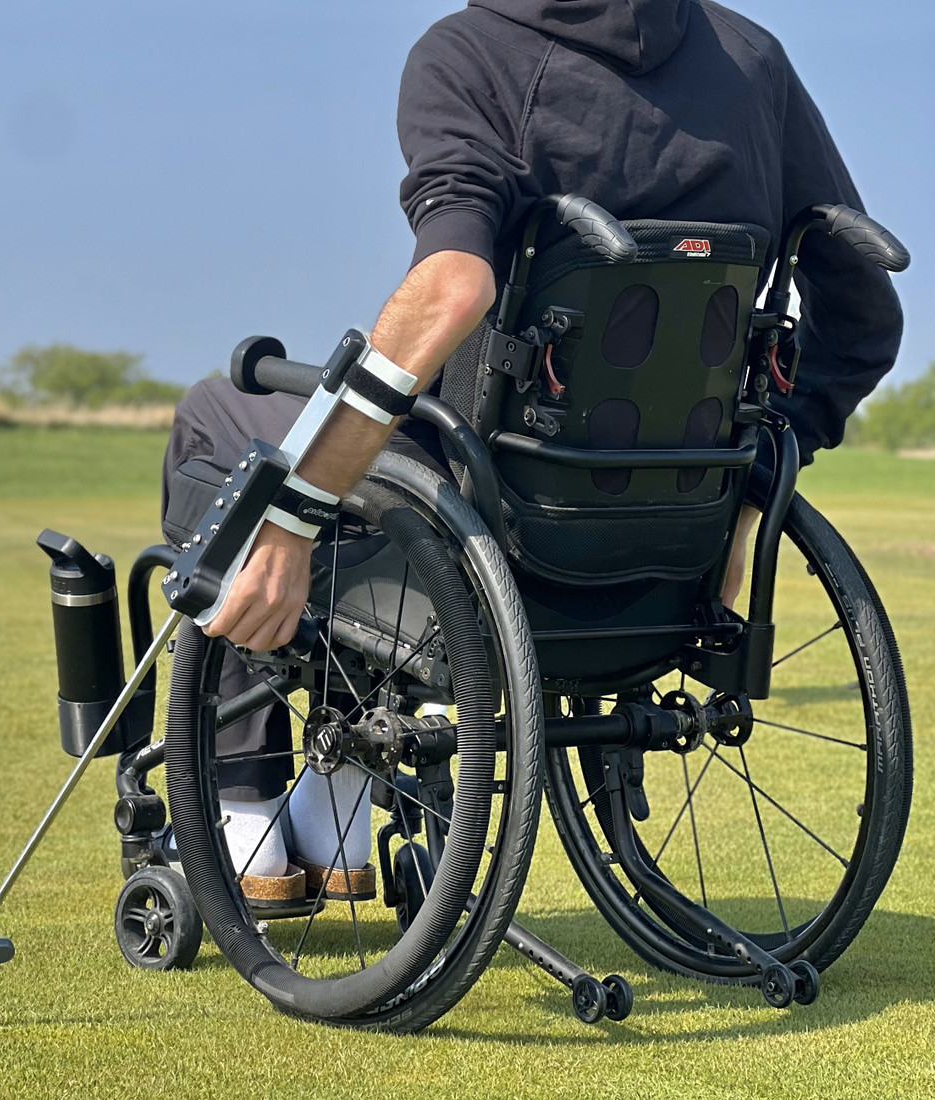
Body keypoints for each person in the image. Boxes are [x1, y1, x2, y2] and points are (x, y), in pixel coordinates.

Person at [159, 0, 904, 889]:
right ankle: (336, 805)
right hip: (675, 554)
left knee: (220, 415)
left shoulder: (470, 53)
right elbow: (864, 314)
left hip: (494, 521)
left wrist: (288, 519)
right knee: (349, 455)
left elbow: (451, 287)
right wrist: (751, 494)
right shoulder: (752, 61)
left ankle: (250, 815)